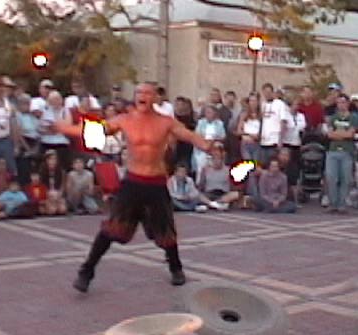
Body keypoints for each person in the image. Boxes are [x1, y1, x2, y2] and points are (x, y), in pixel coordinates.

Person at [56, 82, 217, 290]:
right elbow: (96, 129)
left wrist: (206, 145)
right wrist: (66, 128)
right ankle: (86, 272)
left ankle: (176, 269)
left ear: (155, 98)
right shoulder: (125, 119)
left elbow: (188, 135)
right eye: (139, 92)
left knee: (166, 230)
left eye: (148, 93)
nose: (143, 96)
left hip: (156, 183)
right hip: (133, 182)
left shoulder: (165, 122)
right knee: (111, 227)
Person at [325, 94, 358, 214]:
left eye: (343, 102)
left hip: (347, 151)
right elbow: (330, 134)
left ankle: (342, 204)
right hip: (333, 150)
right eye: (339, 102)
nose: (341, 105)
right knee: (331, 177)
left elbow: (350, 134)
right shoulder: (333, 117)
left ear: (348, 104)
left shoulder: (353, 118)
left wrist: (338, 134)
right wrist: (343, 134)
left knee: (345, 178)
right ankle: (333, 203)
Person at [197, 143, 239, 210]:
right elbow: (201, 185)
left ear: (222, 159)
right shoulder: (205, 169)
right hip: (209, 194)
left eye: (219, 159)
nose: (217, 161)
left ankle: (215, 204)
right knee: (197, 194)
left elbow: (233, 187)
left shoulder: (228, 170)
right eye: (215, 159)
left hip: (223, 194)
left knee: (236, 194)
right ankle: (213, 204)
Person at [39, 90, 72, 172]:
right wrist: (55, 127)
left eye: (57, 99)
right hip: (46, 142)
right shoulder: (46, 111)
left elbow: (67, 126)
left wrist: (54, 127)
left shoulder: (65, 111)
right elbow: (41, 127)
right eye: (53, 100)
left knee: (62, 167)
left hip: (61, 143)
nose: (55, 102)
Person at [260, 83, 290, 167]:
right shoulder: (263, 104)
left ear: (273, 92)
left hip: (274, 141)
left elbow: (283, 122)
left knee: (273, 165)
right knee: (263, 165)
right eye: (265, 92)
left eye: (269, 92)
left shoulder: (280, 104)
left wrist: (280, 139)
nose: (267, 94)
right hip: (263, 141)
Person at [192, 105, 226, 180]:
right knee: (201, 165)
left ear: (214, 113)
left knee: (215, 160)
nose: (207, 114)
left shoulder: (219, 123)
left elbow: (223, 136)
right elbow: (197, 135)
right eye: (206, 112)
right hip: (203, 146)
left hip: (215, 146)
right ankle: (200, 182)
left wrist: (213, 140)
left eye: (210, 112)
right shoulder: (201, 122)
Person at [40, 150, 67, 215]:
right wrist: (48, 195)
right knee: (52, 211)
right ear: (46, 160)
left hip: (57, 194)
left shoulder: (61, 171)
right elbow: (41, 186)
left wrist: (59, 194)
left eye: (54, 159)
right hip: (47, 195)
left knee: (62, 210)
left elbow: (62, 185)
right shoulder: (42, 171)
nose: (53, 161)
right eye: (50, 159)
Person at [236, 92, 262, 162]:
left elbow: (261, 132)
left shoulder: (260, 116)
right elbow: (239, 131)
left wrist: (257, 136)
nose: (253, 103)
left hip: (256, 144)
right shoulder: (244, 114)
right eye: (251, 101)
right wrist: (249, 134)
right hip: (245, 143)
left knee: (255, 164)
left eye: (254, 101)